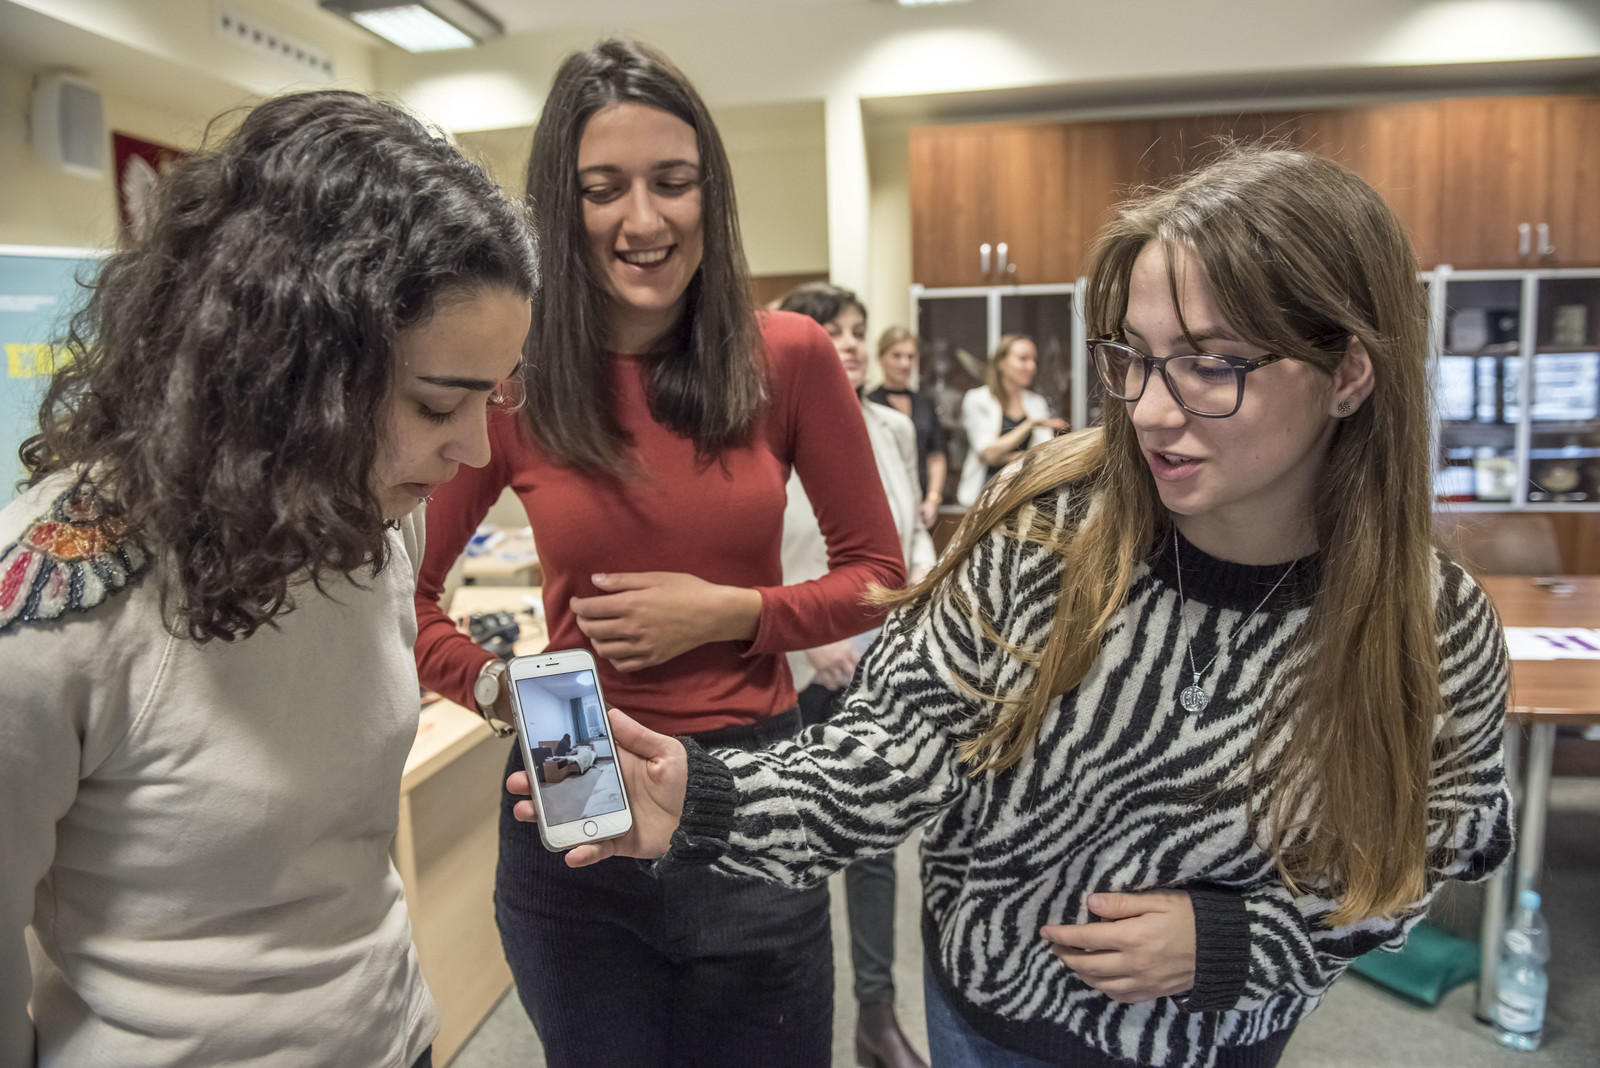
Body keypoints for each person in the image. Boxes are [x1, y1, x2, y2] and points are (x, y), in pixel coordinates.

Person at [522, 147, 1513, 1068]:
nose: (1150, 410)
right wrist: (712, 800)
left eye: (1213, 363)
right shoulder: (1046, 529)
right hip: (987, 1019)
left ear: (1348, 373)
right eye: (1134, 357)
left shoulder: (1433, 626)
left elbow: (1418, 852)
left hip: (1213, 1040)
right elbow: (898, 745)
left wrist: (1243, 942)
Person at [0, 91, 536, 1068]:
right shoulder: (55, 603)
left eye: (493, 398)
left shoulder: (374, 517)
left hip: (391, 1036)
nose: (474, 449)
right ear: (289, 367)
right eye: (436, 404)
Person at [411, 39, 905, 1068]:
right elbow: (400, 599)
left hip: (754, 786)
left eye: (672, 182)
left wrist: (734, 612)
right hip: (574, 768)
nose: (644, 220)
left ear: (709, 193)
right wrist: (505, 692)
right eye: (604, 190)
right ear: (564, 206)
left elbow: (878, 579)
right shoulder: (518, 378)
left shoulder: (789, 356)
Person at [777, 283, 935, 1068]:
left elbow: (909, 540)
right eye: (830, 330)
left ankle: (877, 1016)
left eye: (857, 330)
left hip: (879, 662)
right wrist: (811, 642)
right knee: (796, 842)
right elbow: (756, 548)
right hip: (799, 668)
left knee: (875, 843)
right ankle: (793, 1015)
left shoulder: (892, 427)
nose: (849, 342)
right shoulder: (767, 427)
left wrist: (926, 603)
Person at [956, 334, 1067, 505]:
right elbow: (989, 453)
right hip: (986, 493)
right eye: (1023, 359)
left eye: (1034, 360)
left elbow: (1044, 454)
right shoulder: (977, 399)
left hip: (1026, 492)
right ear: (1001, 363)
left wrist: (1005, 456)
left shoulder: (1036, 402)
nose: (1032, 366)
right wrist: (1029, 424)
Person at [868, 326, 948, 528]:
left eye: (910, 357)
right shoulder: (868, 404)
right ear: (881, 358)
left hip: (920, 504)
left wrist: (932, 499)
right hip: (882, 501)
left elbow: (936, 455)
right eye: (897, 356)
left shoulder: (925, 403)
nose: (905, 363)